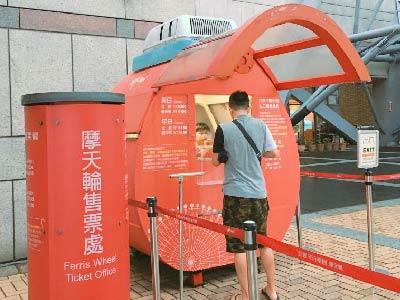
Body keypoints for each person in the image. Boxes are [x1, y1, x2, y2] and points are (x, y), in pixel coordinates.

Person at [212, 91, 280, 300]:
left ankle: (246, 294)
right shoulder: (261, 126)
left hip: (235, 195)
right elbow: (273, 153)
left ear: (229, 108)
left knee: (239, 247)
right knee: (264, 242)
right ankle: (272, 290)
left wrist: (226, 156)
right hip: (259, 193)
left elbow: (215, 161)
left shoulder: (223, 129)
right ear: (248, 107)